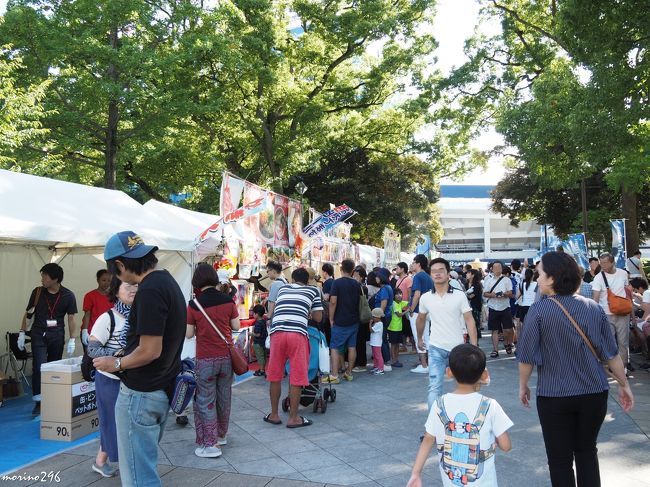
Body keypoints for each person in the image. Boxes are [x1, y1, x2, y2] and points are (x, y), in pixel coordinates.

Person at [518, 251, 634, 487]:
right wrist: (625, 385)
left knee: (559, 459)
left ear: (552, 279)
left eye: (540, 274)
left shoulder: (538, 311)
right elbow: (612, 354)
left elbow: (527, 356)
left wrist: (523, 386)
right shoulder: (593, 307)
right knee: (587, 452)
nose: (537, 279)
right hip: (594, 393)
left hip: (554, 394)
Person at [93, 231, 186, 487]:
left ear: (120, 265)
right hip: (159, 388)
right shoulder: (167, 281)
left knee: (137, 478)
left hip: (141, 394)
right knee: (143, 469)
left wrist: (117, 363)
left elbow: (150, 350)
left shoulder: (150, 290)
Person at [407, 344, 513, 487]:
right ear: (484, 374)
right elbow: (506, 446)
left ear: (449, 373)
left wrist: (416, 473)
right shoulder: (490, 405)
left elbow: (428, 439)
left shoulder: (439, 405)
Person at [185, 263, 240, 458]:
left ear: (197, 281)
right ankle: (221, 435)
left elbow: (189, 334)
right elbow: (236, 325)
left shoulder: (194, 305)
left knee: (205, 400)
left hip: (205, 359)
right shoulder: (228, 301)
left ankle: (210, 444)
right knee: (224, 397)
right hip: (226, 358)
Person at [87, 277, 137, 478]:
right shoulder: (107, 318)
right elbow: (92, 348)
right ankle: (126, 465)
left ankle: (100, 461)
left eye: (136, 285)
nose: (134, 289)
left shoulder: (140, 316)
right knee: (113, 422)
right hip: (109, 379)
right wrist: (116, 356)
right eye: (128, 286)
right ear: (116, 292)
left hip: (132, 378)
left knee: (119, 422)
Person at [264, 268, 323, 428]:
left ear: (292, 278)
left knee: (275, 375)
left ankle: (274, 415)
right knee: (296, 376)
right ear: (308, 280)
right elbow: (318, 317)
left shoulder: (282, 288)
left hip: (277, 333)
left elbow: (275, 308)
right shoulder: (314, 290)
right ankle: (294, 418)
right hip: (297, 334)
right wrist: (307, 312)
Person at [417, 257, 478, 410]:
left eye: (441, 270)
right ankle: (433, 429)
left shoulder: (459, 295)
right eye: (434, 271)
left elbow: (469, 320)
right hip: (436, 347)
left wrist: (474, 346)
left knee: (465, 386)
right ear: (430, 274)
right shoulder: (425, 298)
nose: (437, 274)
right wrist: (419, 338)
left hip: (458, 349)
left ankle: (463, 422)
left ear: (448, 273)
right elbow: (421, 319)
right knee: (434, 387)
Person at [18, 263, 77, 417]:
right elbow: (28, 313)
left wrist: (72, 339)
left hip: (57, 334)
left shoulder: (68, 295)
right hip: (38, 333)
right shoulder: (38, 292)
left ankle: (52, 399)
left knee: (53, 367)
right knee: (39, 366)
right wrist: (22, 332)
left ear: (55, 278)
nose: (42, 278)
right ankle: (39, 402)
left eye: (45, 276)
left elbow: (71, 318)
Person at [591, 252, 632, 370]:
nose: (602, 265)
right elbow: (596, 297)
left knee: (623, 342)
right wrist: (594, 314)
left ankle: (623, 368)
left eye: (605, 263)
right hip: (606, 313)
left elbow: (626, 290)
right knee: (610, 342)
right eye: (601, 263)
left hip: (623, 313)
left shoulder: (623, 273)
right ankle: (613, 366)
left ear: (612, 262)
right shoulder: (599, 277)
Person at [323, 259, 361, 384]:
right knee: (352, 346)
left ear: (341, 269)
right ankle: (349, 373)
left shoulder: (337, 283)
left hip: (340, 320)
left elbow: (333, 302)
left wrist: (331, 318)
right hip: (354, 319)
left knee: (334, 347)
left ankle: (334, 375)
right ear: (352, 270)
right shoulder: (357, 284)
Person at [483, 261, 515, 358]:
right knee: (494, 330)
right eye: (495, 267)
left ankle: (507, 343)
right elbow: (485, 293)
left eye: (499, 267)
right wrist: (492, 295)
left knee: (508, 329)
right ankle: (495, 350)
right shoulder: (488, 280)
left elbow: (510, 293)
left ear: (502, 269)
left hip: (505, 307)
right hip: (493, 307)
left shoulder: (506, 280)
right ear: (492, 269)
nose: (498, 269)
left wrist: (504, 294)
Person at [408, 254, 433, 373]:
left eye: (413, 262)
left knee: (419, 337)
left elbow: (416, 294)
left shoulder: (417, 277)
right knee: (426, 337)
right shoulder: (428, 277)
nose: (412, 264)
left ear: (418, 264)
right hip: (428, 311)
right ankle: (428, 363)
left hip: (418, 311)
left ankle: (423, 365)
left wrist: (411, 309)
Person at [80, 269, 112, 349]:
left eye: (109, 280)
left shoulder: (114, 296)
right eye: (103, 280)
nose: (106, 283)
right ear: (98, 280)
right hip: (92, 332)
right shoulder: (90, 295)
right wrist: (85, 331)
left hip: (108, 333)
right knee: (90, 359)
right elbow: (87, 315)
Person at [351, 265, 370, 373]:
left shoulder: (362, 287)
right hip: (357, 317)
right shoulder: (360, 286)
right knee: (357, 341)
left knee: (360, 341)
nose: (354, 277)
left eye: (356, 275)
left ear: (361, 277)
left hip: (361, 317)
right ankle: (358, 362)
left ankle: (361, 363)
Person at [375, 268, 394, 370]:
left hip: (383, 317)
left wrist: (378, 317)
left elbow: (383, 304)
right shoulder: (387, 287)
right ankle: (385, 361)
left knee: (382, 339)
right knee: (383, 339)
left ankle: (386, 362)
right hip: (385, 316)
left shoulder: (385, 289)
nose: (376, 278)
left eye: (377, 276)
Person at [388, 288, 407, 367]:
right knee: (393, 345)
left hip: (399, 328)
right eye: (397, 294)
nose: (399, 295)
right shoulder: (393, 303)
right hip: (393, 328)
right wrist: (407, 310)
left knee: (397, 344)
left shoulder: (400, 303)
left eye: (400, 293)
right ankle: (393, 360)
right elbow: (399, 314)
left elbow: (409, 303)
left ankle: (396, 359)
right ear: (393, 296)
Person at [465, 269, 483, 339]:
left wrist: (464, 295)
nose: (466, 274)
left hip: (475, 307)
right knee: (467, 325)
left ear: (473, 275)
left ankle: (475, 343)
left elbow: (472, 296)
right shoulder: (465, 284)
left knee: (475, 324)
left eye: (468, 273)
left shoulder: (477, 285)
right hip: (466, 308)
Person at [251, 304, 268, 377]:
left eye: (253, 313)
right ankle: (262, 369)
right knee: (263, 356)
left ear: (257, 314)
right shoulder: (263, 321)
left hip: (258, 343)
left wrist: (251, 333)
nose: (253, 314)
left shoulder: (258, 323)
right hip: (263, 342)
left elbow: (257, 334)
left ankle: (261, 370)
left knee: (260, 357)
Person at [369, 308, 385, 375]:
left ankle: (381, 368)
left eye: (373, 317)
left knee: (378, 356)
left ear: (378, 317)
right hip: (374, 342)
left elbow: (371, 330)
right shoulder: (376, 323)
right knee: (375, 355)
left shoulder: (379, 324)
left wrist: (369, 324)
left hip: (377, 343)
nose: (372, 318)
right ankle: (376, 366)